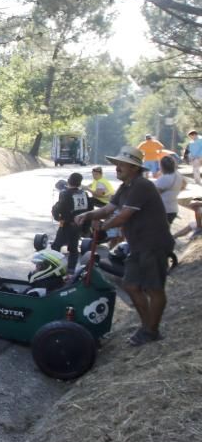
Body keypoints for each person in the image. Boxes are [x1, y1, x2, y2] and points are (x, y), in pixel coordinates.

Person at [75, 146, 175, 346]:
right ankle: (147, 327)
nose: (117, 167)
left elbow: (123, 215)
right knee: (130, 285)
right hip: (137, 245)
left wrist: (103, 227)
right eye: (117, 164)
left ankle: (151, 331)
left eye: (122, 164)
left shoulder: (141, 185)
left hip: (153, 244)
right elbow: (109, 208)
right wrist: (88, 215)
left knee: (154, 289)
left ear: (134, 167)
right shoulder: (126, 187)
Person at [50, 172, 92, 273]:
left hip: (66, 224)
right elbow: (89, 210)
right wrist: (86, 227)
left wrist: (57, 217)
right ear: (79, 183)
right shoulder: (84, 194)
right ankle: (71, 270)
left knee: (56, 246)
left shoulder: (66, 194)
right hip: (78, 225)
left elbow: (59, 208)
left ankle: (54, 267)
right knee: (73, 248)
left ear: (69, 181)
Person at [153, 154, 184, 225]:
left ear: (162, 166)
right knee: (165, 231)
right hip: (173, 208)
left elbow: (154, 194)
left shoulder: (165, 178)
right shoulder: (177, 175)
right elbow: (184, 184)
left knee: (159, 232)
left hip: (163, 209)